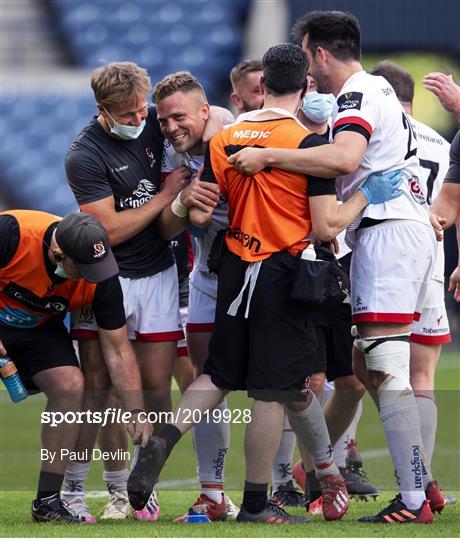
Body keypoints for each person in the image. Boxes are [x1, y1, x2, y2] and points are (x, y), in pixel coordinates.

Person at [127, 43, 403, 524]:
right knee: (271, 390)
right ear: (306, 86)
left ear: (264, 85)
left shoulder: (225, 138)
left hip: (233, 266)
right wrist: (364, 196)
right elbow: (325, 226)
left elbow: (198, 211)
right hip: (283, 271)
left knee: (217, 374)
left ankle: (165, 438)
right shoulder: (310, 145)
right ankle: (256, 503)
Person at [227, 11, 439, 525]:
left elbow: (344, 159)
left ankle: (412, 500)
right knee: (364, 370)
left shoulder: (358, 94)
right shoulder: (379, 91)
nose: (308, 76)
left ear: (321, 54)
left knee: (387, 370)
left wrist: (271, 156)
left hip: (387, 233)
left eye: (307, 59)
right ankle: (359, 476)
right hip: (400, 233)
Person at [0, 210, 151, 523]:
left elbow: (118, 349)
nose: (91, 276)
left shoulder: (101, 277)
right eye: (82, 268)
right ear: (59, 254)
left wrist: (135, 411)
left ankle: (47, 503)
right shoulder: (12, 234)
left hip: (39, 331)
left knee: (70, 385)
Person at [153, 70, 240, 521]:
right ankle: (212, 493)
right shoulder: (173, 149)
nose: (170, 128)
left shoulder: (228, 131)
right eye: (164, 120)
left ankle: (300, 480)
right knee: (207, 378)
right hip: (206, 272)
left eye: (179, 117)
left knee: (288, 383)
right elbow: (171, 226)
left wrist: (201, 212)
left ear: (204, 111)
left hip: (253, 270)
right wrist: (185, 200)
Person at [371, 60, 457, 506]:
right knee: (421, 374)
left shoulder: (377, 136)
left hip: (386, 259)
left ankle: (410, 485)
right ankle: (424, 483)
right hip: (432, 260)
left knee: (369, 366)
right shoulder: (441, 142)